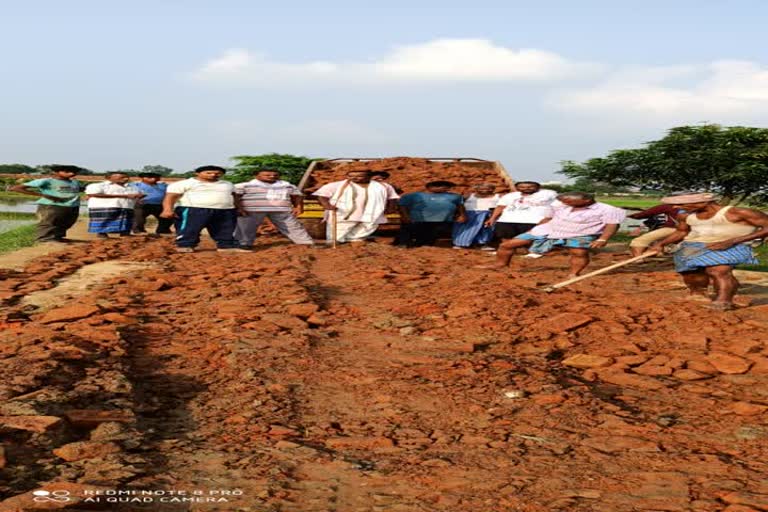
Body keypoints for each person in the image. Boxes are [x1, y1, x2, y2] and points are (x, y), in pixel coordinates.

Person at [649, 192, 768, 310]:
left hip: (732, 245)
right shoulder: (684, 216)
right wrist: (661, 244)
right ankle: (698, 294)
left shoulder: (739, 212)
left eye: (681, 204)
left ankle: (723, 301)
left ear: (703, 202)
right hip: (692, 246)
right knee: (691, 274)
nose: (675, 207)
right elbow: (681, 232)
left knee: (718, 271)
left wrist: (732, 241)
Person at [480, 192, 626, 277]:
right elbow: (548, 217)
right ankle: (500, 264)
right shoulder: (559, 205)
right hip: (549, 229)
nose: (565, 203)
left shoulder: (607, 209)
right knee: (507, 244)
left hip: (581, 233)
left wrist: (603, 238)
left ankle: (574, 273)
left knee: (579, 252)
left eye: (568, 201)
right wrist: (535, 229)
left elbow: (612, 224)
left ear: (586, 201)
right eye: (564, 201)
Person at [161, 165, 247, 253]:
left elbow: (234, 197)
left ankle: (226, 246)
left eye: (218, 173)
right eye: (209, 173)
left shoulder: (227, 184)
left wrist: (239, 208)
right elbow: (170, 197)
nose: (213, 175)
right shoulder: (185, 183)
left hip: (225, 210)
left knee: (225, 229)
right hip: (194, 210)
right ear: (197, 173)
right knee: (190, 229)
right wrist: (167, 209)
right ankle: (185, 245)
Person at [233, 169, 314, 247]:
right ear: (256, 176)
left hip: (281, 210)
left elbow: (297, 196)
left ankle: (305, 243)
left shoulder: (287, 185)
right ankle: (243, 244)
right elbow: (235, 197)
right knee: (245, 228)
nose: (272, 176)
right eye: (267, 175)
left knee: (293, 226)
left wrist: (298, 207)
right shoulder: (243, 185)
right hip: (252, 210)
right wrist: (239, 209)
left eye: (275, 175)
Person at [314, 170, 399, 244]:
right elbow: (321, 195)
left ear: (369, 176)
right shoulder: (337, 185)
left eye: (359, 176)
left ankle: (353, 245)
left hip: (372, 215)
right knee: (337, 235)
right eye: (351, 176)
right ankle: (336, 248)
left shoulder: (383, 186)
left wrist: (391, 208)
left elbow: (392, 197)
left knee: (363, 232)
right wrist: (327, 205)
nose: (354, 178)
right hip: (344, 215)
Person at [10, 165, 82, 243]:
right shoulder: (47, 181)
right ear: (56, 172)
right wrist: (43, 195)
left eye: (74, 172)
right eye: (67, 171)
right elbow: (16, 188)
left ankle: (57, 237)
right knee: (49, 222)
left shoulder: (75, 182)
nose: (71, 173)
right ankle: (44, 239)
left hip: (72, 206)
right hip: (51, 205)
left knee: (66, 222)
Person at [397, 181, 466, 247]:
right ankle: (403, 244)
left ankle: (422, 246)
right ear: (429, 187)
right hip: (418, 219)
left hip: (441, 221)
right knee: (408, 232)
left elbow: (460, 205)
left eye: (447, 186)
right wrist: (405, 216)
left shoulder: (455, 196)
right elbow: (402, 205)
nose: (444, 187)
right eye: (440, 186)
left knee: (429, 239)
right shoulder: (415, 195)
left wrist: (462, 215)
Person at [486, 181, 558, 244]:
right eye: (522, 187)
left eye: (530, 187)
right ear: (517, 188)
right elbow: (500, 207)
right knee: (505, 236)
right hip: (506, 220)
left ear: (538, 187)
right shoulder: (510, 196)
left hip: (534, 221)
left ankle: (531, 250)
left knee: (531, 236)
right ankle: (510, 249)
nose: (526, 188)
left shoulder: (548, 194)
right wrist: (492, 218)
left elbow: (558, 205)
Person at [85, 173, 144, 238]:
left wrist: (139, 196)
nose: (126, 179)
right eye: (122, 177)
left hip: (126, 206)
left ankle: (125, 233)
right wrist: (124, 196)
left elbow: (138, 194)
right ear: (109, 178)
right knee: (105, 221)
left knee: (126, 221)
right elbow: (93, 194)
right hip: (105, 206)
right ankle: (102, 234)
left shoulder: (132, 186)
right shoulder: (99, 185)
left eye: (127, 177)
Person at [452, 183, 499, 249]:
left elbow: (500, 207)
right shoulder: (469, 195)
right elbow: (460, 204)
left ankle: (481, 244)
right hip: (469, 214)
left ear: (492, 189)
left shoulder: (498, 196)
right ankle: (460, 244)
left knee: (485, 230)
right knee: (465, 229)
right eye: (480, 188)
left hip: (488, 215)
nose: (483, 190)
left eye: (486, 188)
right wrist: (459, 214)